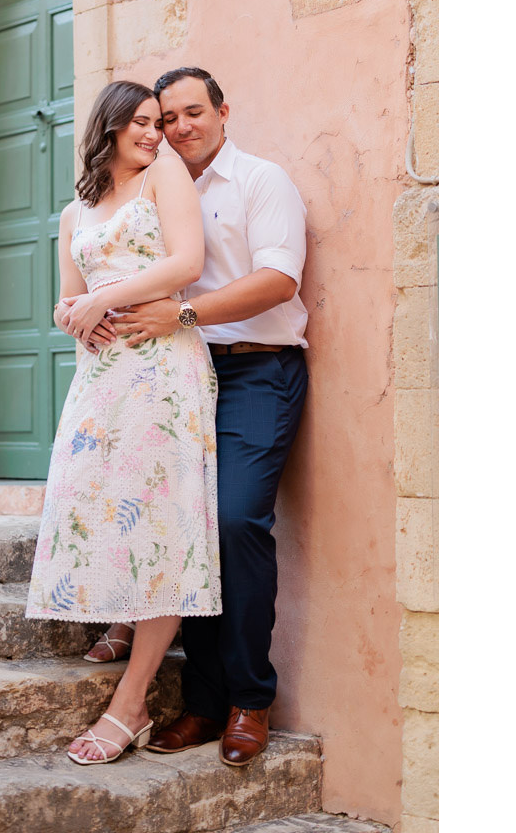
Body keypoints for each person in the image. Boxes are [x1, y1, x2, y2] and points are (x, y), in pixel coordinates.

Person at [57, 66, 309, 770]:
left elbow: (279, 279)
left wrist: (183, 312)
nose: (179, 127)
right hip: (176, 371)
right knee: (181, 520)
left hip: (258, 367)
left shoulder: (261, 180)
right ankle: (199, 700)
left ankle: (250, 699)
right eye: (167, 118)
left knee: (230, 521)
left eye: (194, 112)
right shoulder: (147, 186)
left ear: (224, 112)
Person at [26, 79, 222, 766]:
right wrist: (71, 313)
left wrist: (102, 298)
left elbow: (185, 264)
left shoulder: (164, 176)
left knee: (161, 521)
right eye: (139, 122)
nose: (154, 133)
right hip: (102, 378)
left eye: (157, 122)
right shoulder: (73, 213)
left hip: (164, 370)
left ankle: (131, 702)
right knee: (99, 505)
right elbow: (66, 302)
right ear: (107, 127)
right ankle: (121, 614)